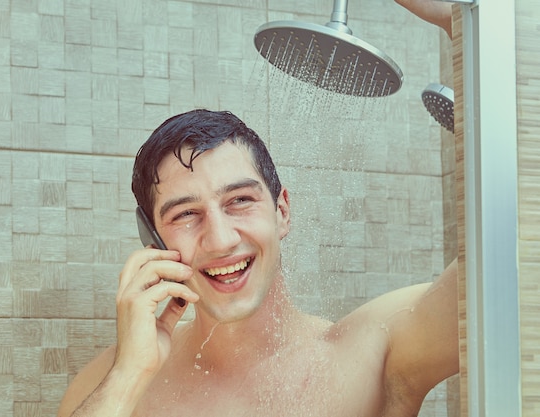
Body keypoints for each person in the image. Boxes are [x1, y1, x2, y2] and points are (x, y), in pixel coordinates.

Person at [56, 109, 459, 417]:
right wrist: (128, 377)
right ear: (154, 241)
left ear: (281, 210)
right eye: (185, 214)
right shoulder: (112, 380)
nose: (220, 239)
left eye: (239, 201)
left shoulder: (375, 350)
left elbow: (505, 277)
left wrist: (456, 20)